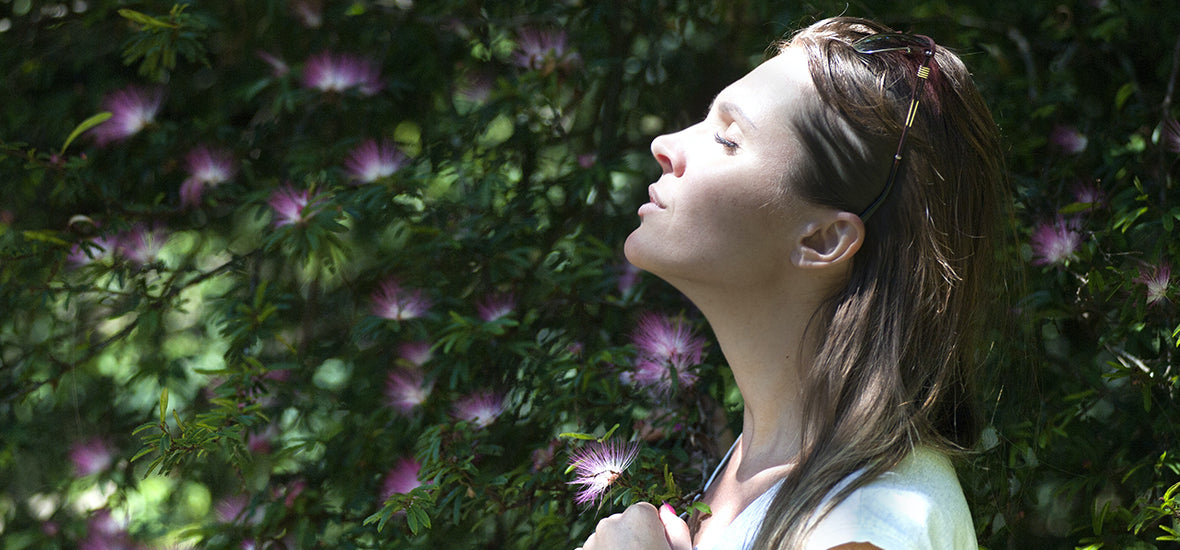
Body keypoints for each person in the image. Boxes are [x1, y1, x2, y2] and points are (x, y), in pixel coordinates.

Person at [580, 16, 1004, 550]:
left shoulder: (866, 521)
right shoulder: (763, 469)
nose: (666, 144)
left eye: (728, 139)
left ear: (824, 240)